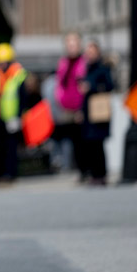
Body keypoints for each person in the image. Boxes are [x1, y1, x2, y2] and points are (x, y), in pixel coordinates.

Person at [0, 43, 27, 181]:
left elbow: (22, 97)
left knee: (11, 148)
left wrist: (19, 117)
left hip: (11, 117)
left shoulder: (18, 75)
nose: (0, 64)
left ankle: (10, 173)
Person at [79, 40, 114, 186]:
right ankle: (94, 174)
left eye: (92, 52)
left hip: (98, 112)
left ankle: (101, 174)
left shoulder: (103, 68)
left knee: (99, 145)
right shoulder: (86, 69)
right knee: (90, 145)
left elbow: (110, 85)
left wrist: (91, 86)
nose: (90, 55)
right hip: (88, 113)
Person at [54, 32, 87, 181]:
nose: (71, 47)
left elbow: (83, 85)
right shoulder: (64, 63)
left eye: (74, 43)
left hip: (81, 107)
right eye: (69, 44)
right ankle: (81, 170)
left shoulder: (84, 62)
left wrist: (82, 107)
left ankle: (88, 169)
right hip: (67, 108)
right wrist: (60, 99)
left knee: (85, 139)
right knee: (74, 141)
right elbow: (60, 84)